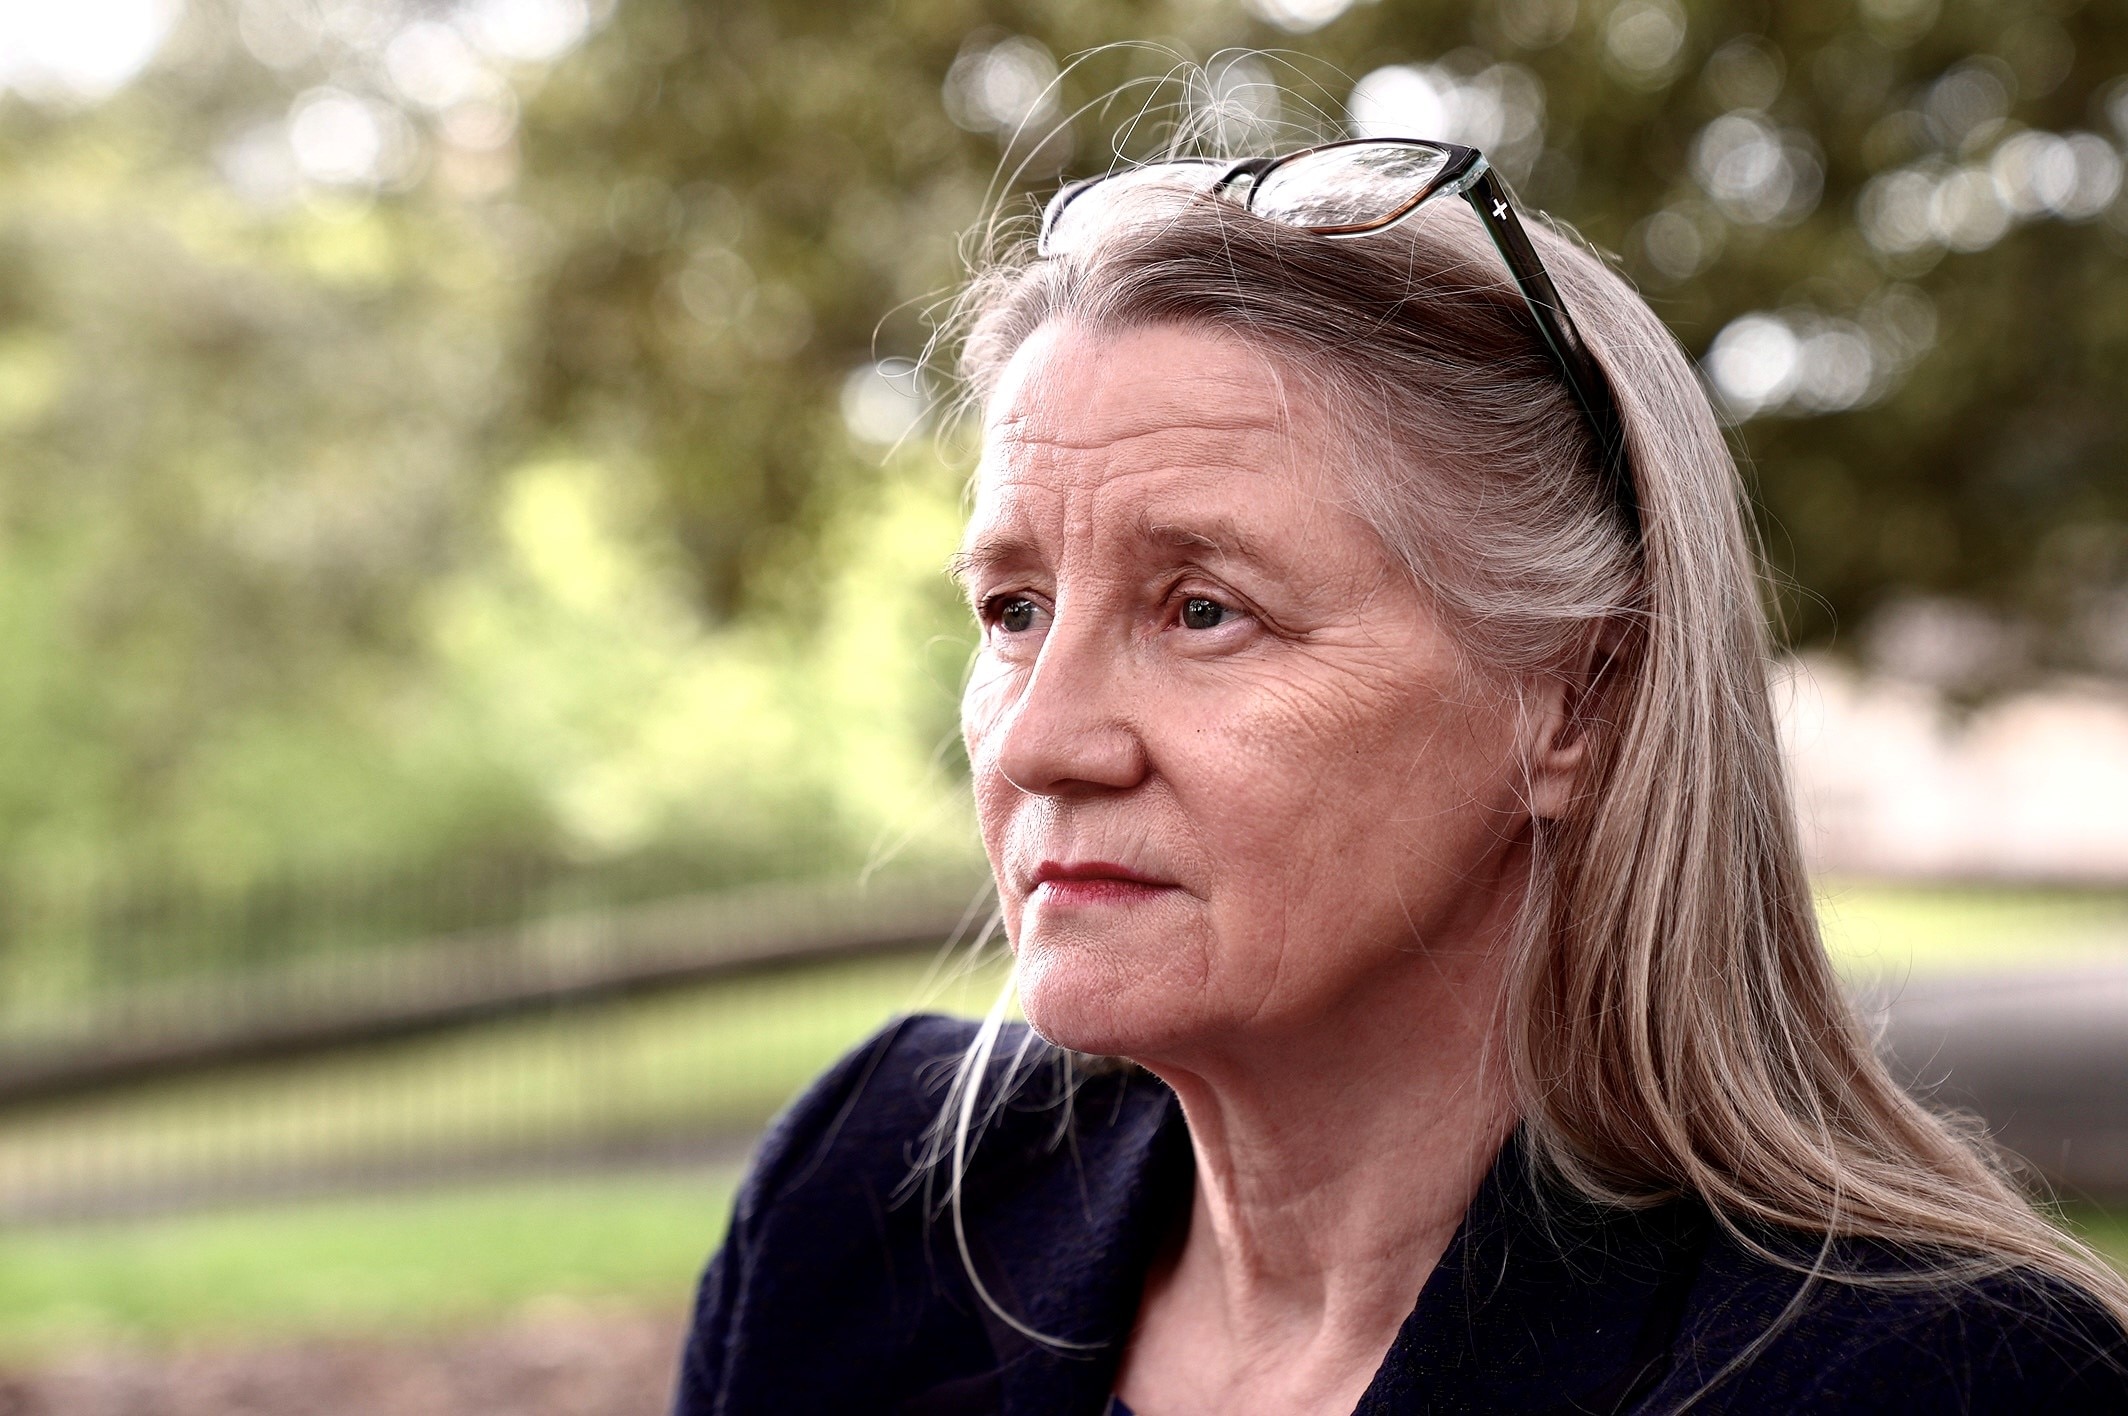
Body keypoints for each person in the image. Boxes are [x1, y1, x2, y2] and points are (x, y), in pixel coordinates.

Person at [671, 135, 2128, 1414]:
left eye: (1203, 610)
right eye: (1014, 609)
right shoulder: (867, 1207)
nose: (1045, 741)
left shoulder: (1933, 1380)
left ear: (1579, 701)